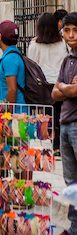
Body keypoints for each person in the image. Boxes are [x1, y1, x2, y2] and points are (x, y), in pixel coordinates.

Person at [51, 12, 77, 235]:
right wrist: (66, 89)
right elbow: (54, 93)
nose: (70, 35)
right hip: (65, 123)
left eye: (75, 31)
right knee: (70, 181)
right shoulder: (67, 60)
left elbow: (72, 90)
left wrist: (65, 88)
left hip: (76, 124)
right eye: (67, 30)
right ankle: (74, 226)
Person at [29, 12, 68, 153]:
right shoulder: (63, 44)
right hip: (59, 84)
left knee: (46, 117)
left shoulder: (34, 45)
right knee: (59, 116)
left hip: (43, 85)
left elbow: (32, 64)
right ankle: (58, 146)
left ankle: (47, 145)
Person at [0, 20, 26, 104]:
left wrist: (8, 112)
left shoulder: (9, 58)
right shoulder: (14, 54)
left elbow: (12, 89)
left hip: (16, 113)